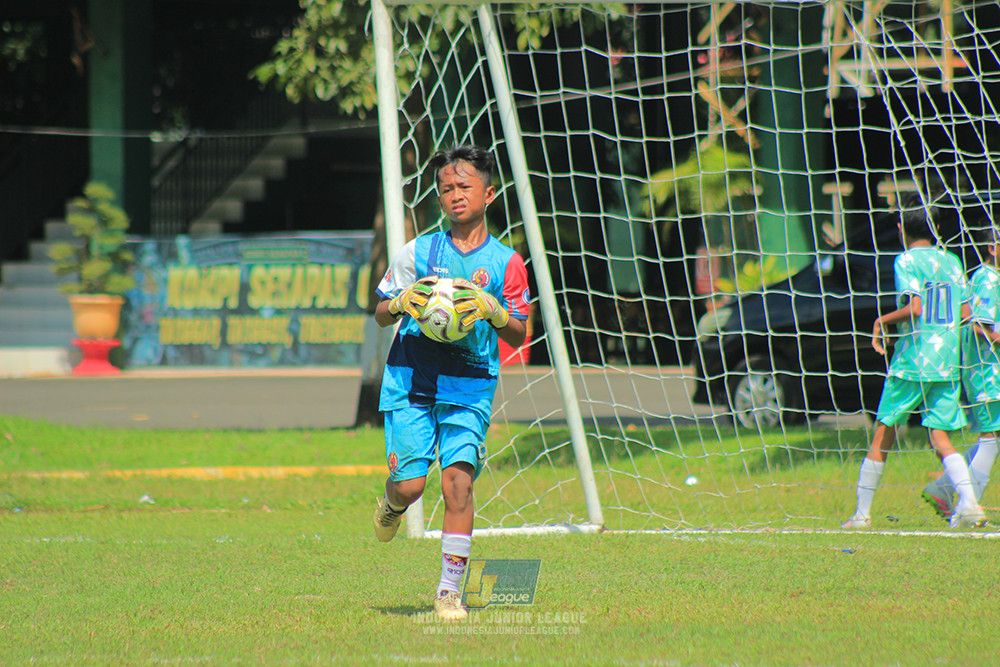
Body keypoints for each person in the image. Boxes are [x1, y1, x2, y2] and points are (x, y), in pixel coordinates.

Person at [370, 145, 530, 620]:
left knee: (457, 485)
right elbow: (379, 313)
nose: (455, 195)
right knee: (412, 486)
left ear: (489, 192)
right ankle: (391, 501)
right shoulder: (417, 253)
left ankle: (448, 592)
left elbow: (521, 332)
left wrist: (494, 311)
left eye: (464, 186)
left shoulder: (506, 262)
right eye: (445, 189)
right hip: (412, 377)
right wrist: (401, 304)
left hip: (470, 381)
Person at [843, 207, 987, 529]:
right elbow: (966, 313)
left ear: (899, 227)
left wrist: (881, 320)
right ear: (934, 228)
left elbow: (916, 307)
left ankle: (862, 515)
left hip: (912, 363)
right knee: (941, 438)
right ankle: (970, 503)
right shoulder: (952, 261)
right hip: (947, 363)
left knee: (884, 434)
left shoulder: (906, 261)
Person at [921, 224, 1000, 521]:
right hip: (987, 373)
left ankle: (942, 489)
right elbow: (977, 323)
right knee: (991, 440)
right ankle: (965, 511)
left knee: (993, 440)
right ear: (992, 247)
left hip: (993, 372)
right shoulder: (986, 279)